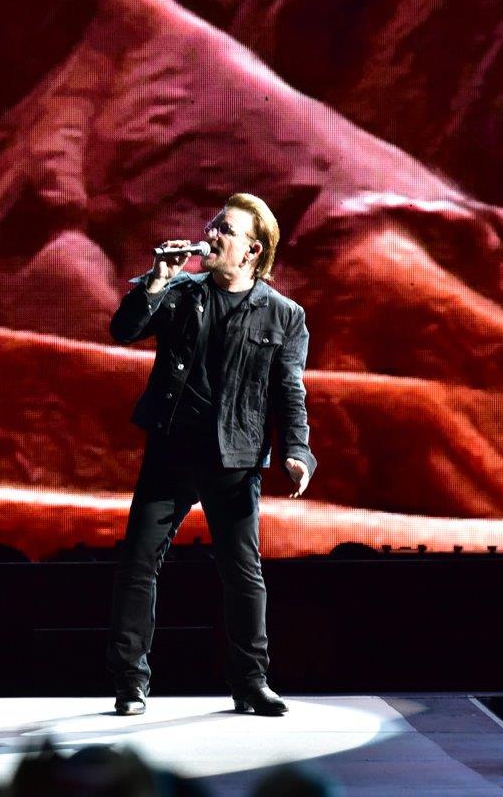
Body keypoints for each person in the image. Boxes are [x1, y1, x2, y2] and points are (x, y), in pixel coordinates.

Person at [106, 193, 316, 716]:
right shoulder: (180, 291)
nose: (211, 234)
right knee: (138, 562)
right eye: (213, 224)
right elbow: (123, 329)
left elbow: (289, 391)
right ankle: (130, 682)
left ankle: (251, 683)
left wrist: (297, 451)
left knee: (243, 571)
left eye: (225, 228)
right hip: (172, 448)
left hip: (234, 455)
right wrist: (157, 280)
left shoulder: (284, 315)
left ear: (252, 250)